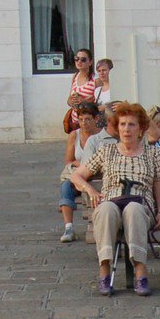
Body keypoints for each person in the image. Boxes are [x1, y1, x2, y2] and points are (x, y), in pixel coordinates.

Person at [70, 101, 160, 297]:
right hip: (112, 201)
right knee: (105, 210)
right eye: (122, 124)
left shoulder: (152, 152)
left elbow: (159, 184)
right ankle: (104, 270)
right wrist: (90, 190)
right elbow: (76, 175)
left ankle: (140, 271)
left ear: (140, 128)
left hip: (140, 204)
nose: (126, 129)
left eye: (131, 124)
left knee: (133, 209)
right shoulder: (108, 151)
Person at [57, 101, 104, 243]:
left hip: (98, 176)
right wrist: (85, 164)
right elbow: (69, 160)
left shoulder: (102, 136)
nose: (84, 123)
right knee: (66, 186)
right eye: (81, 119)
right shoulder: (74, 135)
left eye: (88, 119)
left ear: (96, 119)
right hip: (81, 173)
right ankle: (69, 227)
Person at [62, 48, 97, 133]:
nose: (79, 62)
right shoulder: (75, 76)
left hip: (89, 123)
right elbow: (69, 100)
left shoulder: (95, 79)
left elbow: (99, 103)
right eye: (76, 59)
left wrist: (84, 101)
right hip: (75, 121)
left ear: (90, 62)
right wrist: (71, 101)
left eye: (83, 59)